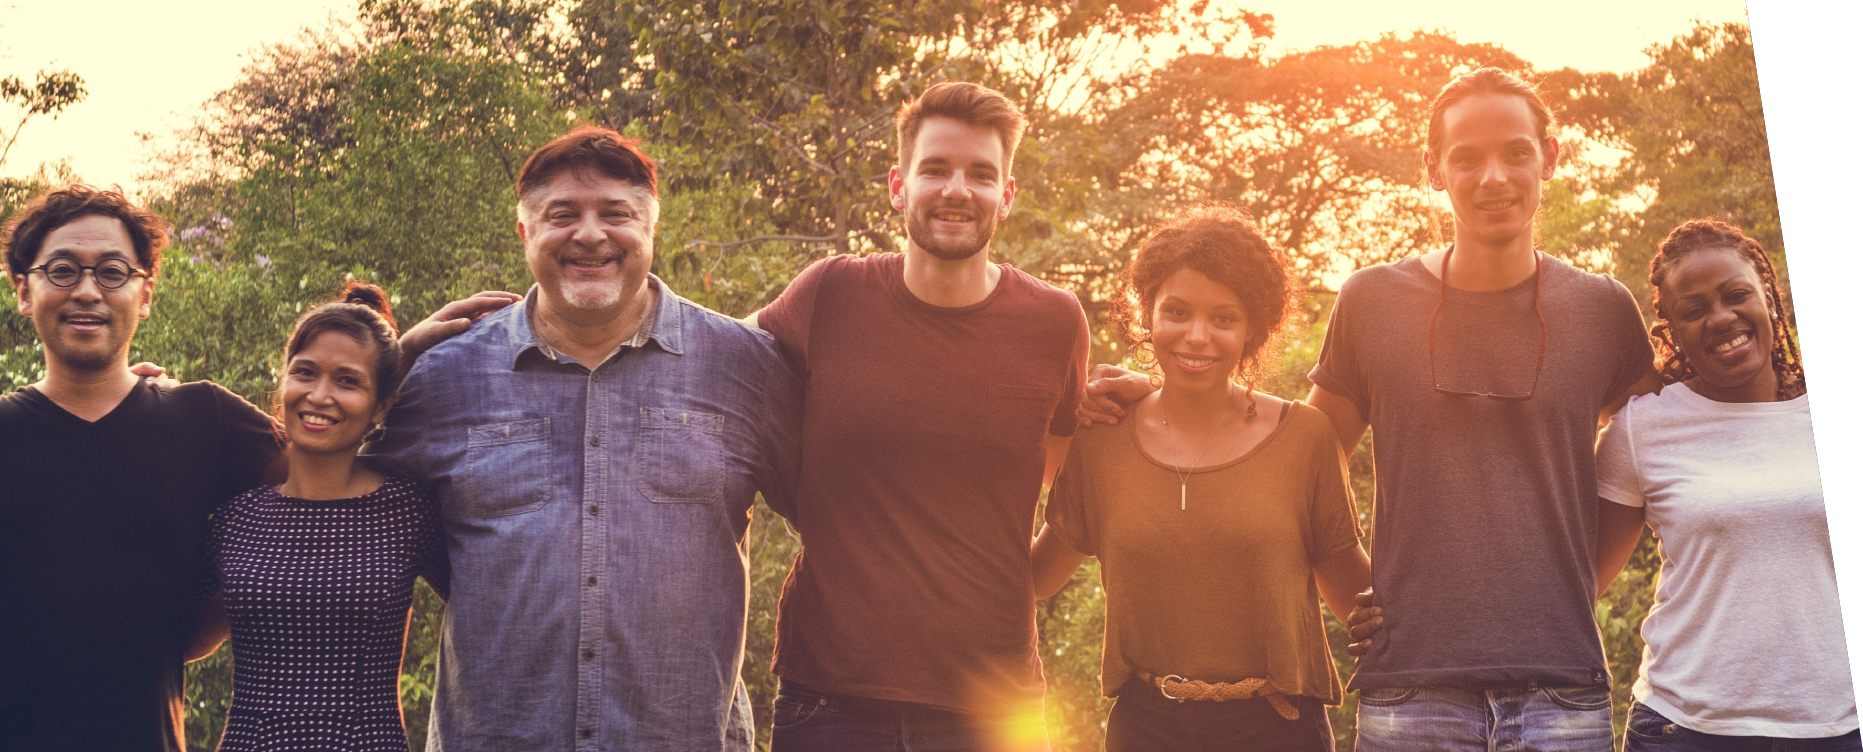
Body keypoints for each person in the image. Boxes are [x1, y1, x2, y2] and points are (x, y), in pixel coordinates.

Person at [1082, 68, 1660, 751]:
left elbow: (1656, 454)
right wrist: (1163, 401)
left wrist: (1565, 586)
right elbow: (1290, 451)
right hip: (1409, 689)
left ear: (1550, 158)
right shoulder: (1372, 301)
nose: (1492, 176)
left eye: (1514, 153)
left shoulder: (1603, 309)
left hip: (1562, 690)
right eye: (1465, 158)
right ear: (1432, 171)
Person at [363, 126, 803, 751]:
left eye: (615, 214)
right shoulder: (443, 377)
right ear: (525, 233)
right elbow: (334, 502)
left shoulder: (743, 367)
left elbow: (839, 520)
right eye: (562, 214)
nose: (590, 234)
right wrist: (389, 370)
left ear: (651, 229)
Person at [744, 81, 1090, 752]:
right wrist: (526, 323)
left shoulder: (1054, 322)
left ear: (1007, 196)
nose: (956, 189)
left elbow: (1076, 500)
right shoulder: (830, 294)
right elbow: (697, 357)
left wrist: (1024, 584)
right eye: (936, 169)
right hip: (830, 705)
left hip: (994, 711)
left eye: (980, 174)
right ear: (899, 186)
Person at [1031, 207, 1371, 752]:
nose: (1196, 336)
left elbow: (1353, 591)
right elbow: (1036, 576)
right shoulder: (1102, 440)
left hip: (1279, 728)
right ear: (1148, 315)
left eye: (1223, 318)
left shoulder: (1305, 437)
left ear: (1252, 331)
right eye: (1177, 312)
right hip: (1144, 728)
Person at [0, 185, 283, 751]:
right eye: (61, 270)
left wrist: (398, 361)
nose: (86, 291)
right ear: (23, 292)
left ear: (145, 293)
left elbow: (326, 481)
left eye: (111, 272)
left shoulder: (204, 419)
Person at [1593, 219, 1856, 751]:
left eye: (1736, 296)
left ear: (1768, 296)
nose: (1721, 318)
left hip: (1840, 726)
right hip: (1684, 728)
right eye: (1694, 310)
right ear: (1671, 330)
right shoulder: (1645, 427)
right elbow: (1579, 580)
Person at [188, 282, 449, 752]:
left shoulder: (407, 509)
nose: (319, 395)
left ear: (381, 406)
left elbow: (491, 609)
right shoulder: (238, 517)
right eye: (304, 373)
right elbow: (182, 642)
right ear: (283, 381)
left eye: (347, 381)